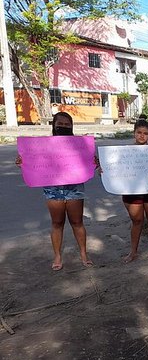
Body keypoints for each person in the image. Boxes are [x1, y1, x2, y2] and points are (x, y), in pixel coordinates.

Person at [15, 111, 93, 271]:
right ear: (53, 125)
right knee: (57, 223)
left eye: (67, 124)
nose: (63, 127)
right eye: (60, 124)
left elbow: (88, 161)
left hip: (74, 187)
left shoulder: (79, 144)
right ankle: (57, 256)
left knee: (77, 222)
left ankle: (84, 254)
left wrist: (94, 161)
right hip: (52, 187)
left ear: (71, 126)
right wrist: (23, 162)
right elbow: (33, 159)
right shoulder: (44, 145)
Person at [119, 119, 148, 263]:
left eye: (145, 133)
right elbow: (114, 169)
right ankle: (133, 251)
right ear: (134, 133)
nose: (142, 136)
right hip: (132, 191)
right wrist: (104, 171)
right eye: (139, 132)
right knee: (136, 221)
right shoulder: (124, 152)